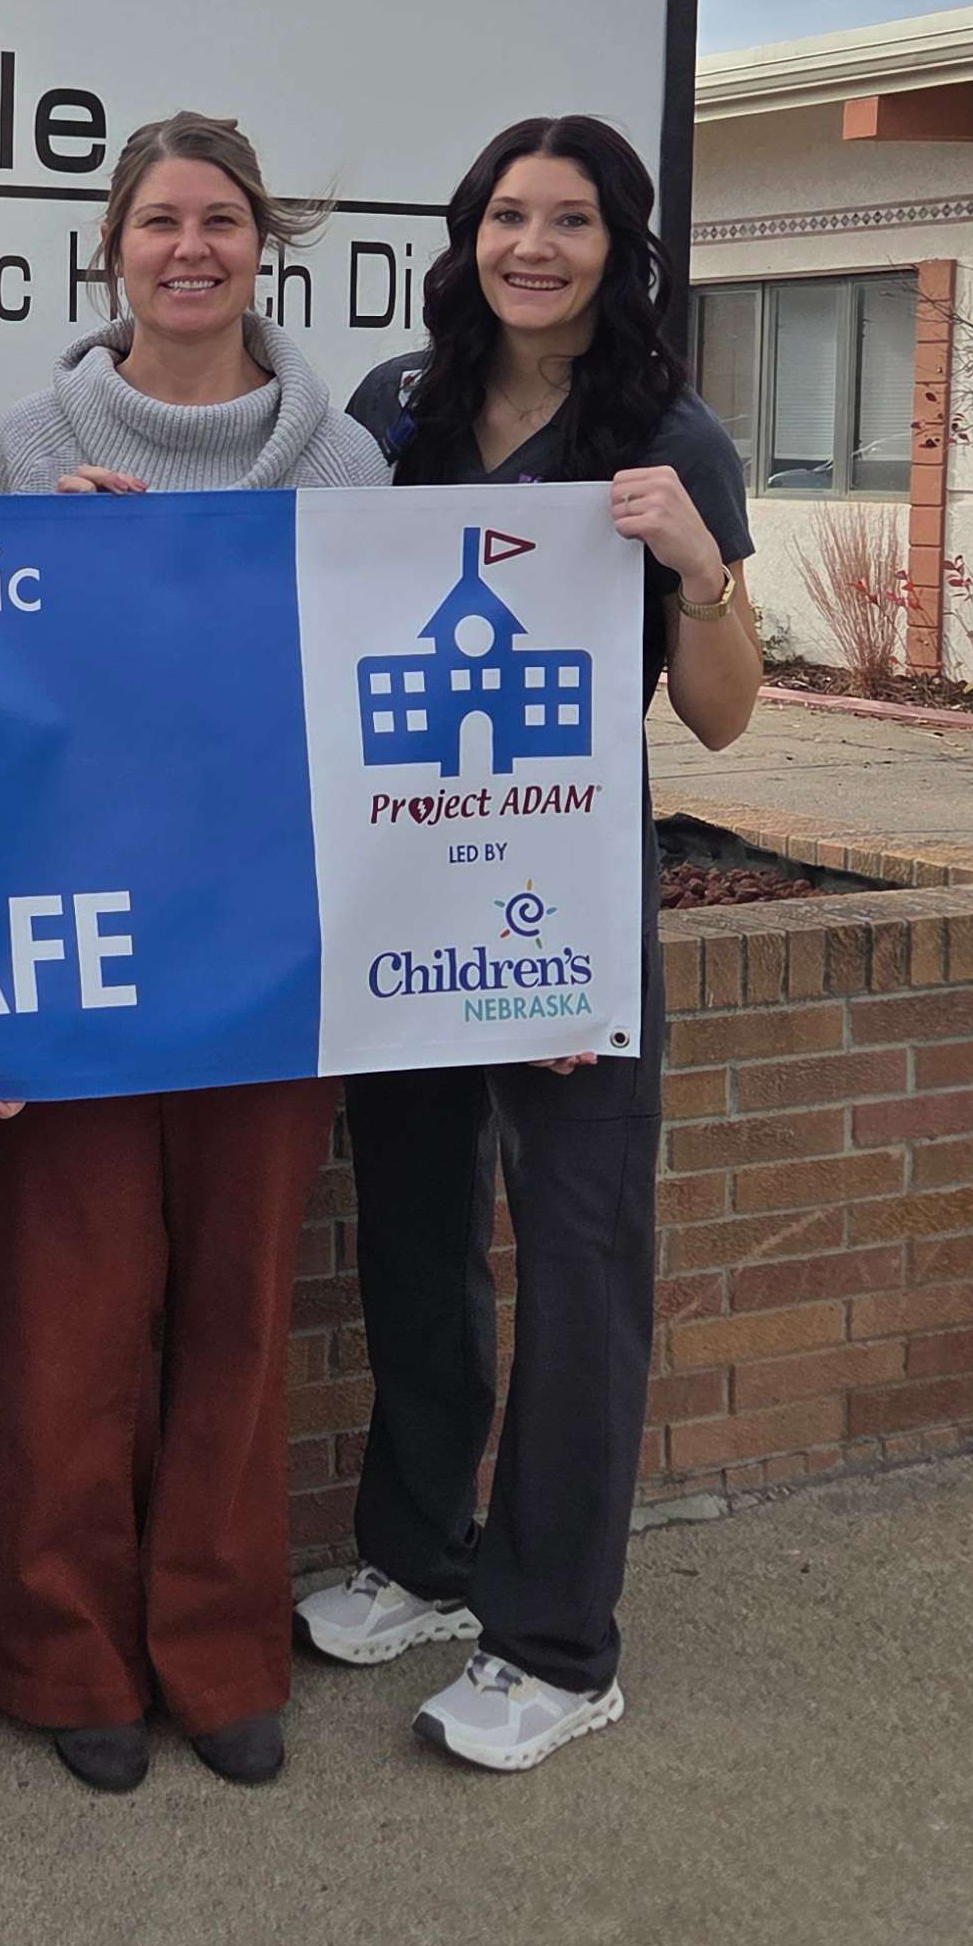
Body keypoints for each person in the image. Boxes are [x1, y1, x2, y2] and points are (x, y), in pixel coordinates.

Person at [298, 110, 761, 1777]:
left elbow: (722, 718)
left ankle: (558, 1645)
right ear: (469, 234)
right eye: (508, 215)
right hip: (406, 887)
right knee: (417, 1232)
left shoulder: (668, 430)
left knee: (577, 1258)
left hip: (564, 900)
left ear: (618, 247)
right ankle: (422, 1556)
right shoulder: (395, 408)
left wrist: (697, 567)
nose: (533, 247)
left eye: (570, 220)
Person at [0, 112, 391, 1793]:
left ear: (260, 245)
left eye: (219, 220)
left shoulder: (343, 465)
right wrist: (53, 570)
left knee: (238, 1310)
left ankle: (218, 1651)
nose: (190, 248)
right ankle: (65, 1655)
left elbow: (369, 713)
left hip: (271, 951)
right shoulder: (23, 450)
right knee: (69, 1323)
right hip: (72, 948)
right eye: (159, 221)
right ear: (113, 247)